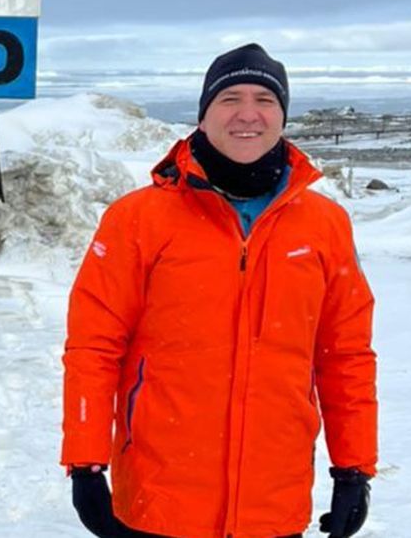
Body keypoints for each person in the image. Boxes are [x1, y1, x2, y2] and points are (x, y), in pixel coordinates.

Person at [61, 43, 377, 538]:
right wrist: (85, 463)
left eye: (264, 100)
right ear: (203, 115)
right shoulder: (137, 219)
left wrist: (354, 468)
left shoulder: (324, 224)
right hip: (159, 501)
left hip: (273, 502)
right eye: (230, 99)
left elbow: (345, 355)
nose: (248, 114)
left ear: (282, 116)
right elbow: (94, 347)